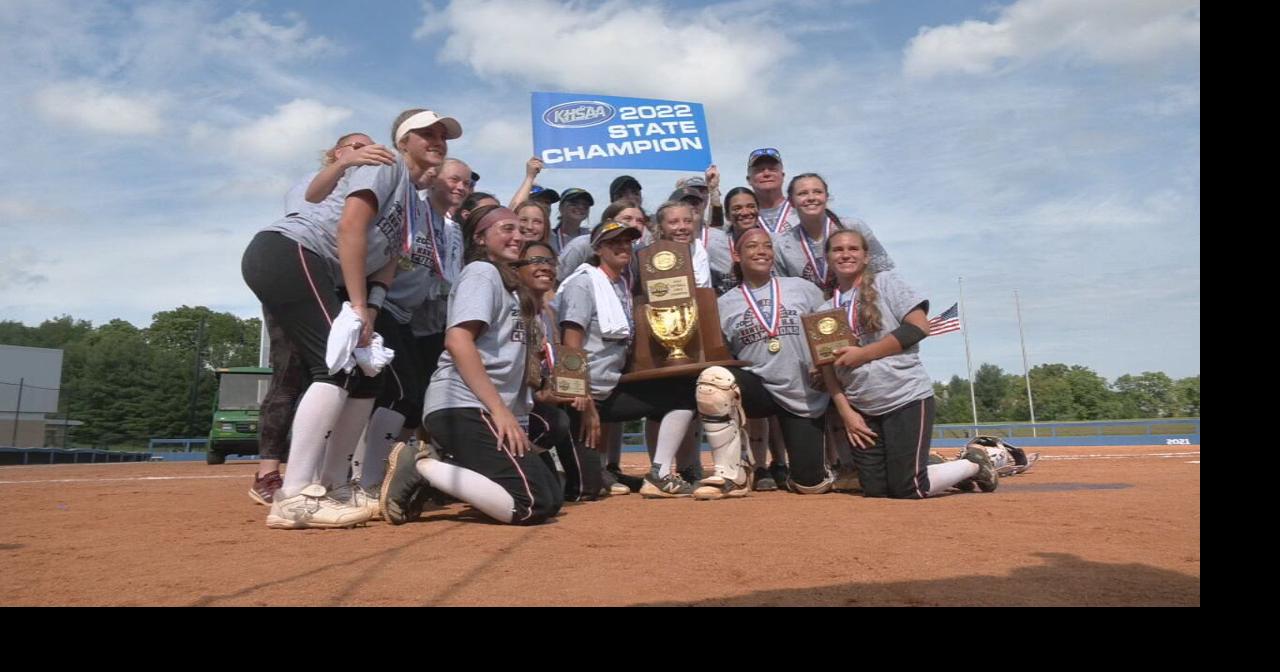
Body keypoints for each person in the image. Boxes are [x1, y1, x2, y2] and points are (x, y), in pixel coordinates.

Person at [243, 107, 458, 528]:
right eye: (426, 133)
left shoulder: (414, 206)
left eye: (442, 136)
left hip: (317, 269)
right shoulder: (385, 163)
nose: (437, 141)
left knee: (366, 373)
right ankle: (294, 495)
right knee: (336, 366)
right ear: (403, 141)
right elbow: (350, 227)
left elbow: (387, 263)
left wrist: (371, 310)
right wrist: (358, 306)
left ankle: (337, 486)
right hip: (290, 252)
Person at [381, 205, 564, 525]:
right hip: (462, 405)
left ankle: (439, 472)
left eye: (519, 229)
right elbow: (458, 341)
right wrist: (499, 410)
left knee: (552, 494)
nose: (518, 236)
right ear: (480, 238)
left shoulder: (509, 285)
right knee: (533, 503)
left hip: (482, 409)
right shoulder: (481, 272)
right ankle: (421, 466)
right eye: (506, 229)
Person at [250, 131, 394, 505]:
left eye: (371, 145)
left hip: (336, 283)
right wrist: (345, 164)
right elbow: (316, 211)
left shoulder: (375, 189)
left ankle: (325, 477)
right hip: (299, 273)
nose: (367, 151)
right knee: (290, 374)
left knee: (341, 371)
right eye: (358, 146)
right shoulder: (317, 181)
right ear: (335, 152)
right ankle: (269, 474)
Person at [818, 229, 998, 499]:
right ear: (828, 258)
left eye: (853, 248)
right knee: (875, 491)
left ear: (866, 256)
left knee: (908, 488)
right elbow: (828, 369)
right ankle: (929, 467)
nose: (846, 254)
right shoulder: (824, 312)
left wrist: (863, 354)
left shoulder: (886, 282)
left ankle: (972, 464)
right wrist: (846, 413)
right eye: (838, 249)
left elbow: (919, 327)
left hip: (905, 397)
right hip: (862, 408)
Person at [557, 220, 701, 498]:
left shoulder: (622, 284)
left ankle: (659, 473)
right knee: (586, 490)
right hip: (584, 395)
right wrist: (582, 397)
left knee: (682, 393)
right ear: (597, 248)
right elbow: (570, 343)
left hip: (611, 387)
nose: (623, 246)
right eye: (614, 242)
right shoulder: (583, 283)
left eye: (627, 241)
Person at [692, 228, 834, 498]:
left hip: (804, 389)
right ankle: (732, 474)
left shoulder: (802, 288)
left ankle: (825, 468)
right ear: (737, 255)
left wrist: (824, 364)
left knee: (810, 485)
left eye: (767, 246)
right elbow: (721, 357)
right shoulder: (724, 304)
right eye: (752, 246)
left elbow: (830, 329)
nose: (761, 251)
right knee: (714, 378)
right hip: (758, 387)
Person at [515, 239, 606, 501]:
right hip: (516, 405)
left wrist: (583, 397)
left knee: (588, 487)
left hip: (544, 399)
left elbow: (565, 360)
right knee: (555, 422)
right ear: (516, 269)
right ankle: (509, 464)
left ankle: (546, 471)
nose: (545, 267)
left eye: (549, 262)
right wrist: (548, 395)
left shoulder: (549, 313)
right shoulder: (514, 310)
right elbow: (526, 381)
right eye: (536, 261)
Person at [773, 173, 894, 290]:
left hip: (861, 301)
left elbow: (882, 272)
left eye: (817, 192)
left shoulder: (853, 227)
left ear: (826, 197)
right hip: (812, 304)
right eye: (802, 193)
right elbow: (784, 290)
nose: (811, 198)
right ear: (791, 202)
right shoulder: (782, 245)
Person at [745, 148, 789, 234]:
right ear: (749, 179)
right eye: (759, 170)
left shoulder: (800, 210)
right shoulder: (740, 216)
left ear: (782, 176)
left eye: (772, 169)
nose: (766, 174)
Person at [550, 188, 594, 255]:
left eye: (585, 205)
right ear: (561, 207)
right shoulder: (549, 237)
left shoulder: (592, 237)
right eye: (574, 203)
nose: (581, 207)